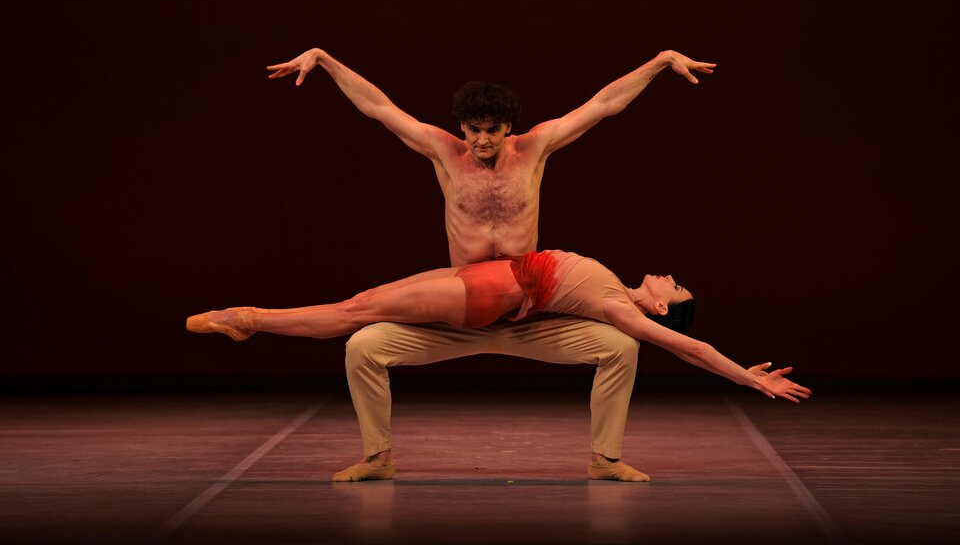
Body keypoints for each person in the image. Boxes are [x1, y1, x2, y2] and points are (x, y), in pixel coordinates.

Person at [258, 47, 716, 482]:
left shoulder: (534, 149)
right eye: (473, 129)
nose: (482, 139)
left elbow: (604, 105)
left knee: (621, 348)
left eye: (492, 130)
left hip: (528, 316)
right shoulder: (444, 151)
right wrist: (324, 60)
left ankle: (605, 459)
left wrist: (659, 62)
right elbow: (378, 107)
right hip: (460, 316)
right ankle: (377, 459)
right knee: (362, 346)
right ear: (461, 127)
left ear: (508, 127)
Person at [187, 250, 811, 483]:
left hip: (490, 293)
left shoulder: (623, 310)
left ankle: (250, 319)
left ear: (662, 309)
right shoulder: (617, 292)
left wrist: (749, 377)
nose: (670, 277)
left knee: (355, 311)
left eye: (675, 288)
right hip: (491, 282)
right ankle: (255, 323)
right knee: (362, 316)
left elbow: (689, 348)